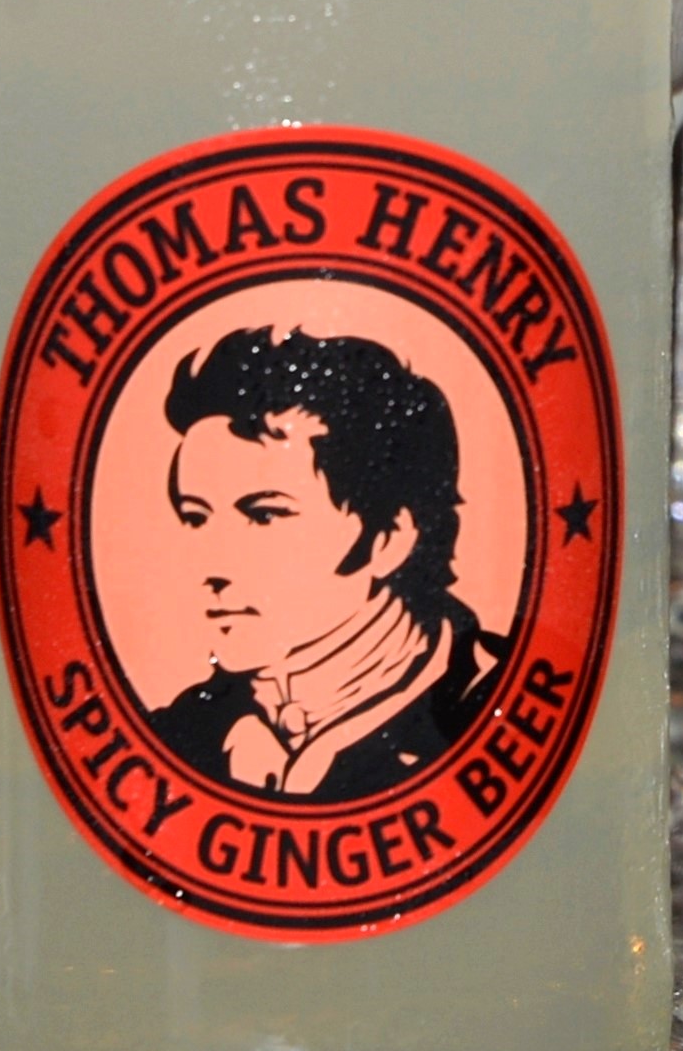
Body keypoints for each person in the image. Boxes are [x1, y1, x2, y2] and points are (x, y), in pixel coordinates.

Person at [141, 326, 500, 802]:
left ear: (389, 538)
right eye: (196, 518)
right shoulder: (176, 736)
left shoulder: (489, 706)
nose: (212, 565)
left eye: (264, 516)